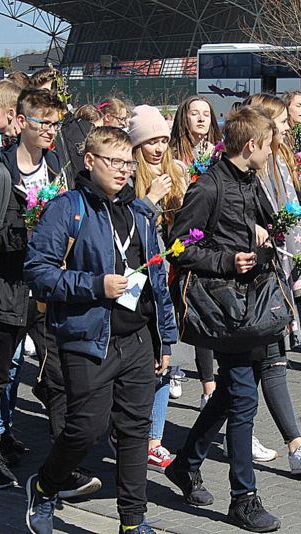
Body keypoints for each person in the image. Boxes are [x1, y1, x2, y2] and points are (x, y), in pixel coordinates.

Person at [23, 126, 177, 534]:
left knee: (135, 432)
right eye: (114, 162)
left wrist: (165, 337)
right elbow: (38, 272)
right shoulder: (68, 208)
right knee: (86, 429)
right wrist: (95, 285)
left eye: (128, 163)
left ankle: (132, 522)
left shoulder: (139, 213)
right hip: (88, 338)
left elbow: (156, 280)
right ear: (90, 161)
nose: (123, 170)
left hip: (137, 339)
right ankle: (44, 486)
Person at [164, 106, 281, 533]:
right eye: (268, 147)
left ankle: (185, 464)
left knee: (230, 394)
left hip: (251, 302)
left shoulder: (250, 180)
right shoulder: (209, 186)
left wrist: (275, 231)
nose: (270, 154)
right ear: (251, 146)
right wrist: (227, 260)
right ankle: (243, 498)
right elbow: (178, 247)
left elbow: (268, 222)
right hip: (222, 305)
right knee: (244, 397)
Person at [0, 88, 66, 488]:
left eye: (55, 124)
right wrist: (19, 235)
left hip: (45, 290)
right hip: (4, 289)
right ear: (21, 123)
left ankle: (63, 459)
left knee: (56, 374)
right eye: (44, 123)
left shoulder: (55, 168)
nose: (51, 131)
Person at [243, 93, 301, 474]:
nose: (287, 127)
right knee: (262, 362)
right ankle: (289, 444)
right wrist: (255, 230)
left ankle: (252, 436)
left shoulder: (280, 161)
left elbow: (297, 201)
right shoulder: (249, 170)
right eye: (281, 121)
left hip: (281, 268)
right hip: (256, 275)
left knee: (261, 364)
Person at [128, 104, 188, 472]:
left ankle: (154, 439)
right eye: (151, 141)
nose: (158, 148)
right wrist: (150, 200)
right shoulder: (127, 176)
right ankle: (128, 431)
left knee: (166, 355)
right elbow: (128, 230)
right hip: (137, 280)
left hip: (167, 279)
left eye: (163, 141)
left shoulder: (175, 173)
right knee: (141, 359)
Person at [169, 95, 224, 408]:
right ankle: (174, 366)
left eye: (206, 113)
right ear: (184, 117)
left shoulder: (217, 153)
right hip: (178, 236)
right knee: (178, 307)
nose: (202, 118)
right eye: (195, 113)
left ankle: (208, 388)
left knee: (201, 310)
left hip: (207, 240)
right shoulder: (172, 154)